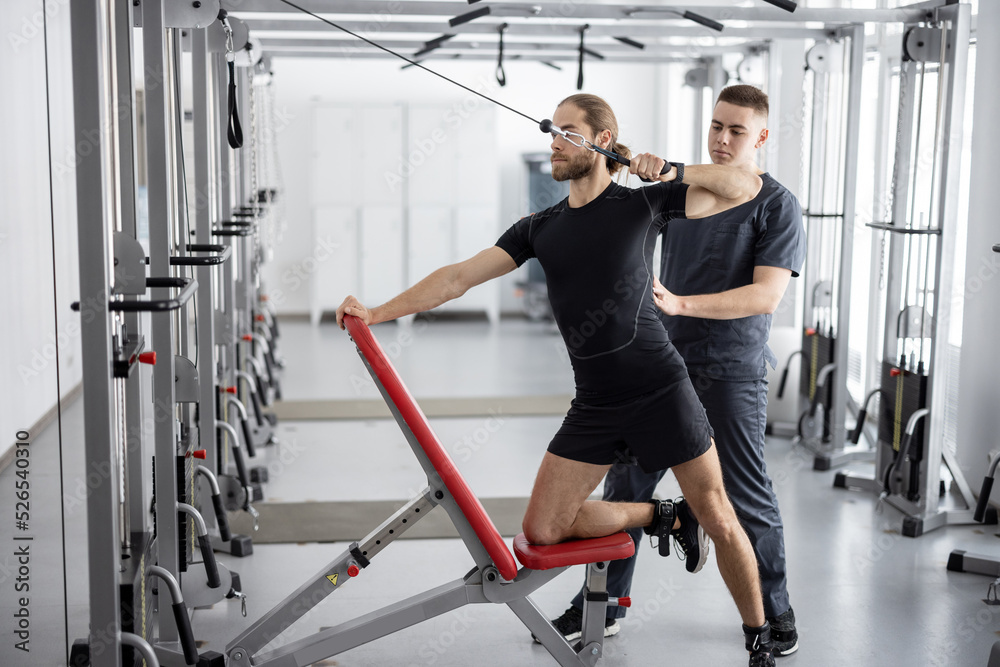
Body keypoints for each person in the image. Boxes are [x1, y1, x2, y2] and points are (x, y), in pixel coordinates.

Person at [337, 93, 777, 666]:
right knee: (544, 530)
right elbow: (457, 279)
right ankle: (663, 516)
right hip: (595, 401)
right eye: (554, 131)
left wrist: (671, 169)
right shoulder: (540, 228)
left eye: (567, 132)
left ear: (599, 141)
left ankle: (759, 638)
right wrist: (375, 312)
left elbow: (745, 188)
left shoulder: (645, 206)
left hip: (660, 389)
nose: (554, 141)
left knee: (720, 513)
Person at [553, 84, 805, 657]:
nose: (721, 139)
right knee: (627, 483)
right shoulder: (685, 191)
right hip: (663, 366)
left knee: (743, 494)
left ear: (761, 136)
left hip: (732, 370)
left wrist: (684, 304)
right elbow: (623, 221)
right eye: (715, 126)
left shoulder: (776, 205)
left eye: (736, 130)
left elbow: (766, 297)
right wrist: (619, 164)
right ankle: (605, 604)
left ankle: (775, 609)